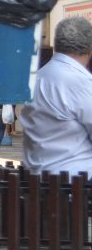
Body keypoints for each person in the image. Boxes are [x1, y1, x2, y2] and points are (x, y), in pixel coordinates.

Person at [21, 16, 92, 174]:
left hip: (36, 178)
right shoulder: (82, 82)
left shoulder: (36, 78)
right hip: (75, 183)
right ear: (89, 50)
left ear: (57, 46)